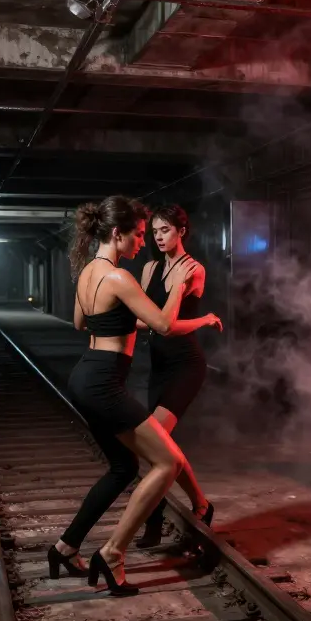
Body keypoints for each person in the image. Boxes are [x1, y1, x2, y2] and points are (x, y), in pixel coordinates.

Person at [48, 196, 222, 596]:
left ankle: (65, 547)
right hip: (104, 383)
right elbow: (163, 324)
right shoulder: (120, 277)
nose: (143, 242)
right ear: (117, 233)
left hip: (85, 375)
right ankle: (112, 553)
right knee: (168, 462)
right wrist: (178, 288)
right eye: (139, 234)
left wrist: (125, 320)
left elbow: (80, 322)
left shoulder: (89, 271)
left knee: (123, 467)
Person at [135, 205, 215, 548]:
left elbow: (166, 327)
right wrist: (199, 320)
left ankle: (153, 524)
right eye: (154, 231)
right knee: (159, 446)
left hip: (185, 365)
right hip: (158, 365)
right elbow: (143, 320)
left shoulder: (194, 270)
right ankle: (201, 504)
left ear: (181, 231)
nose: (158, 237)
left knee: (154, 443)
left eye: (165, 230)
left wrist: (165, 324)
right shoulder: (150, 268)